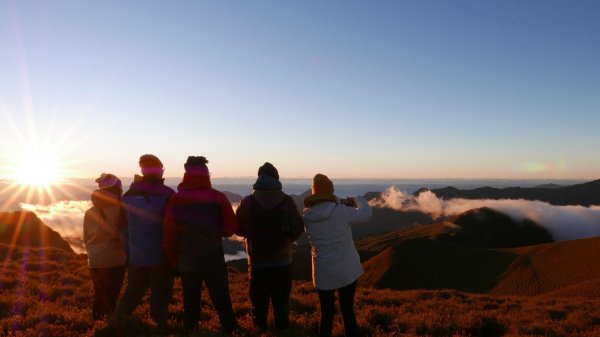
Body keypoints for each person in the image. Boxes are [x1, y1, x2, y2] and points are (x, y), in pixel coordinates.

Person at [163, 156, 239, 335]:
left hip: (187, 259)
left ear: (186, 175)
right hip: (212, 257)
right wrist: (214, 231)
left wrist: (174, 261)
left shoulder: (176, 200)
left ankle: (191, 330)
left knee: (190, 298)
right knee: (221, 296)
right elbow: (230, 229)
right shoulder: (218, 197)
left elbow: (169, 235)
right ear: (206, 174)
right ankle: (231, 329)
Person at [235, 162, 304, 330]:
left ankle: (260, 329)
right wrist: (286, 239)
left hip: (257, 261)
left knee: (259, 302)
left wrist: (251, 235)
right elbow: (298, 227)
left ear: (259, 178)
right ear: (277, 178)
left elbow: (237, 228)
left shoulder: (248, 201)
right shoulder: (287, 201)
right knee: (281, 302)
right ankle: (282, 330)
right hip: (282, 261)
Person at [302, 174, 372, 337]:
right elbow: (366, 214)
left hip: (322, 272)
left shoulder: (307, 217)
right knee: (347, 311)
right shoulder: (341, 211)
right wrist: (357, 199)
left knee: (326, 314)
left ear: (314, 193)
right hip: (346, 269)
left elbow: (325, 209)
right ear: (330, 190)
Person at [111, 154, 176, 330]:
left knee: (133, 292)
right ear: (157, 171)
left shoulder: (128, 195)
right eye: (161, 169)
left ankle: (117, 321)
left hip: (136, 256)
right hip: (160, 255)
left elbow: (123, 227)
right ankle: (159, 325)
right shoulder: (168, 195)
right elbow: (174, 226)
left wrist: (128, 252)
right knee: (160, 294)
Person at [83, 173, 127, 320]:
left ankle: (96, 325)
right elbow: (123, 236)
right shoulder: (121, 210)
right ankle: (109, 326)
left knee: (99, 295)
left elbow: (86, 238)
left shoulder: (90, 212)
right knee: (111, 297)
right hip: (114, 260)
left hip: (94, 260)